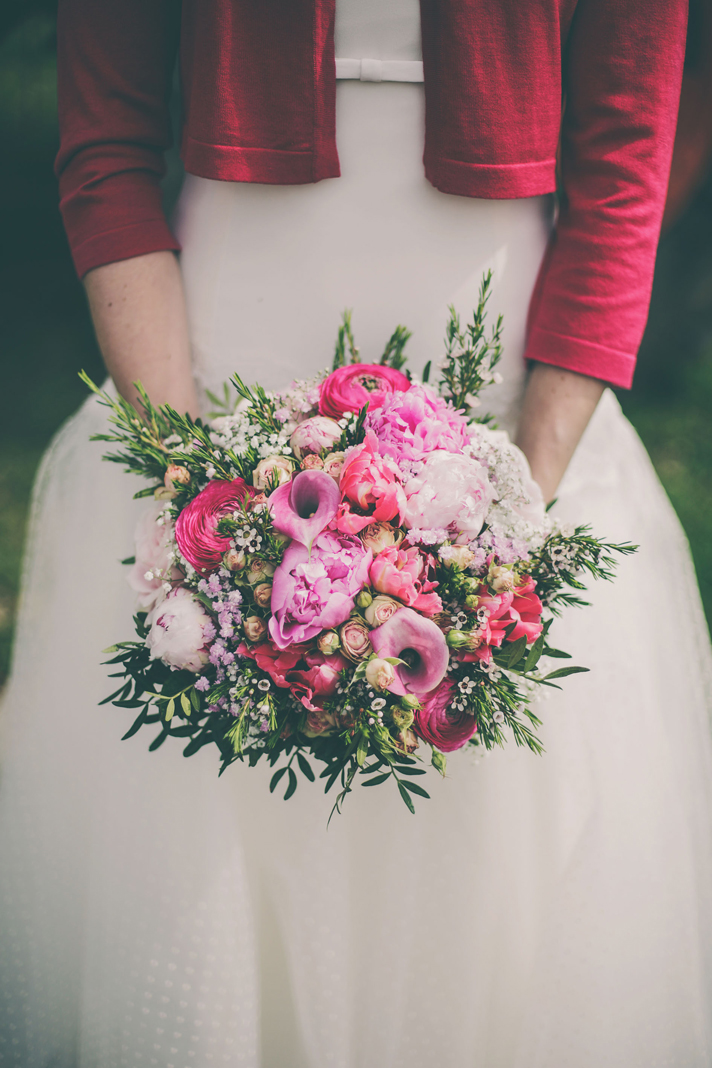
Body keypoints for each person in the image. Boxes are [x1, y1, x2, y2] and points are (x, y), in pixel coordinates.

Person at [2, 2, 712, 1065]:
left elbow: (623, 168)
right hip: (211, 379)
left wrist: (505, 527)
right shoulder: (194, 456)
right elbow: (105, 147)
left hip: (512, 418)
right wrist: (189, 486)